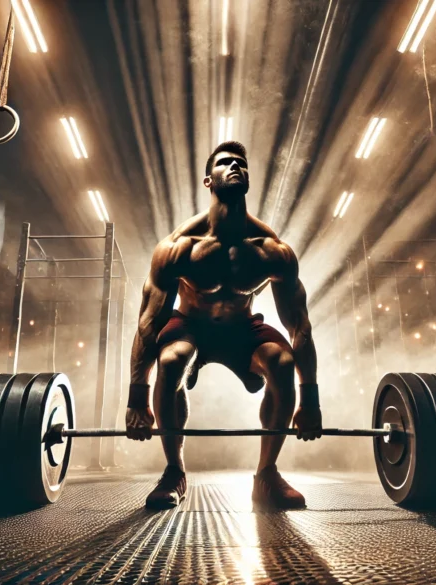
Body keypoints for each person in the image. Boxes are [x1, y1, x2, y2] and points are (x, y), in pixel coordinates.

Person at [126, 141, 322, 510]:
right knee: (171, 361)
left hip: (241, 329)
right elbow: (149, 323)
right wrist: (137, 398)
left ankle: (267, 475)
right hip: (191, 325)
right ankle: (174, 472)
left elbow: (300, 326)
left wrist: (309, 399)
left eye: (241, 164)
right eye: (225, 163)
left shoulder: (270, 249)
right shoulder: (179, 247)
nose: (235, 167)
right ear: (208, 180)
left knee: (281, 363)